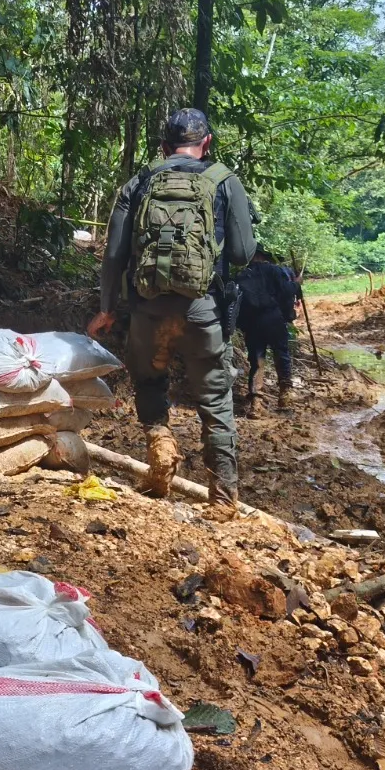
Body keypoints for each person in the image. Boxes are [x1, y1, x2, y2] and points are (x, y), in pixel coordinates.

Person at [87, 108, 255, 514]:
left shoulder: (140, 182)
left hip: (148, 312)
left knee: (149, 384)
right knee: (215, 401)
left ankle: (161, 455)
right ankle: (222, 499)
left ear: (163, 146)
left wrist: (108, 308)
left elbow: (114, 255)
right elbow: (242, 253)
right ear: (207, 144)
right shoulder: (224, 181)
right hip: (203, 311)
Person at [235, 244, 299, 415]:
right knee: (281, 354)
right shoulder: (274, 271)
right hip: (273, 318)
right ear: (262, 256)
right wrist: (296, 285)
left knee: (257, 359)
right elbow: (286, 292)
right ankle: (285, 396)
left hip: (252, 323)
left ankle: (256, 402)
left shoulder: (241, 275)